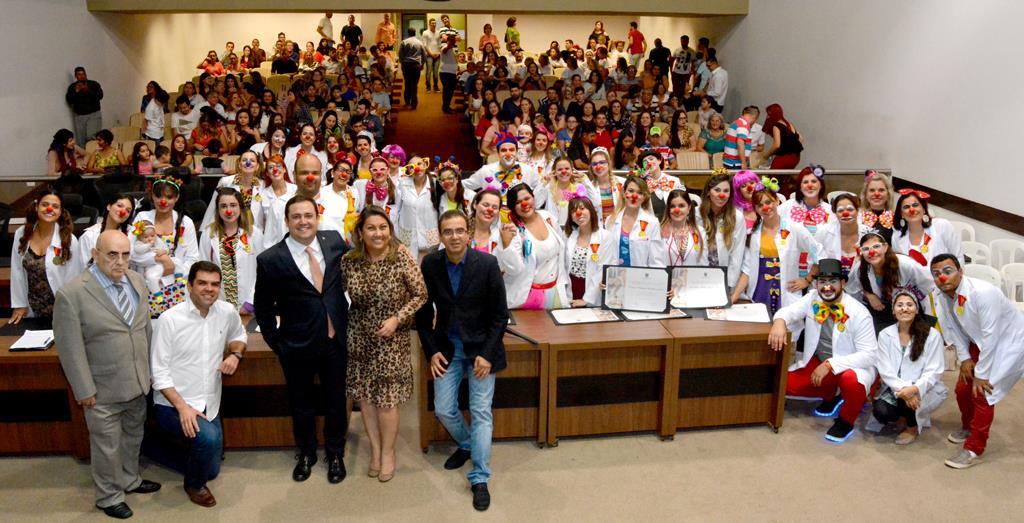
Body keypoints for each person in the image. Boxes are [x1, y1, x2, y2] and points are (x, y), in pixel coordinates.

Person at [53, 230, 160, 519]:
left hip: (137, 381)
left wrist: (149, 372)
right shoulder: (72, 293)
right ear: (95, 254)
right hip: (101, 388)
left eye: (125, 254)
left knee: (132, 437)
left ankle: (129, 479)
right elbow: (69, 347)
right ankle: (108, 496)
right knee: (106, 445)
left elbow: (144, 330)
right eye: (112, 254)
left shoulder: (137, 281)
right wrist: (84, 389)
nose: (120, 261)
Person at [416, 210, 509, 511]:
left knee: (481, 411)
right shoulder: (430, 263)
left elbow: (499, 315)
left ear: (468, 233)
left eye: (459, 231)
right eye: (448, 231)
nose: (454, 237)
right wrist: (431, 350)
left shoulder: (487, 264)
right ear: (440, 235)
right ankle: (467, 443)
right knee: (443, 408)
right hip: (448, 347)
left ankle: (479, 477)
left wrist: (486, 354)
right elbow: (422, 312)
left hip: (482, 347)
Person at [254, 195, 350, 484]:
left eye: (308, 215)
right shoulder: (270, 259)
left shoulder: (334, 242)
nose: (303, 221)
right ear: (287, 221)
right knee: (302, 404)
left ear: (316, 217)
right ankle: (306, 453)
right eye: (296, 216)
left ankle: (335, 453)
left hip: (336, 341)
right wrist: (278, 345)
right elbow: (263, 308)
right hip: (297, 345)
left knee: (336, 401)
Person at [149, 261, 247, 507]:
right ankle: (193, 485)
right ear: (189, 285)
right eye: (202, 283)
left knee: (211, 470)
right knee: (209, 441)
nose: (209, 289)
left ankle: (149, 446)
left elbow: (239, 335)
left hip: (209, 402)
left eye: (215, 284)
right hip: (172, 405)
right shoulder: (169, 319)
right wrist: (182, 408)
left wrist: (235, 354)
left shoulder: (226, 311)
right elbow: (158, 373)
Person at [343, 207, 426, 482]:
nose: (378, 233)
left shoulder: (401, 257)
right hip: (359, 337)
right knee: (366, 398)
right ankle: (376, 451)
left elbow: (420, 294)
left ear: (389, 230)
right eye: (371, 228)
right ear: (360, 232)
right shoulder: (349, 261)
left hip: (392, 339)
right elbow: (338, 294)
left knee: (387, 400)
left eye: (383, 227)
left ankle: (389, 453)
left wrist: (397, 319)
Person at [768, 259, 878, 443]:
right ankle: (833, 394)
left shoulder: (859, 312)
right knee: (785, 385)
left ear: (843, 283)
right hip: (821, 362)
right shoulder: (813, 298)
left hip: (852, 367)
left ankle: (846, 420)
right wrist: (779, 322)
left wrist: (830, 364)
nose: (827, 287)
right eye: (822, 282)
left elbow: (869, 355)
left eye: (833, 282)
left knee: (850, 381)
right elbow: (789, 312)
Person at [930, 255, 1024, 469]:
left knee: (982, 394)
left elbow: (992, 335)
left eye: (947, 270)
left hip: (1008, 342)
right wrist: (965, 359)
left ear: (960, 271)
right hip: (978, 340)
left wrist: (981, 375)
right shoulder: (942, 295)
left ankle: (974, 448)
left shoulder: (983, 293)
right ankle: (968, 427)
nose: (942, 277)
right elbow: (953, 328)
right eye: (936, 274)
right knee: (963, 389)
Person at [731, 179, 822, 316]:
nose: (765, 208)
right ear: (755, 209)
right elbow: (747, 270)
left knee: (785, 331)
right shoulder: (753, 234)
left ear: (777, 201)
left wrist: (807, 280)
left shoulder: (794, 228)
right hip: (759, 292)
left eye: (768, 202)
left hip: (786, 294)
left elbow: (818, 252)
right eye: (760, 205)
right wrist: (734, 297)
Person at [870, 290, 948, 445]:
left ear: (917, 309)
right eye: (899, 305)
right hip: (896, 387)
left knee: (910, 400)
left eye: (909, 305)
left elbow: (935, 370)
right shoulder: (885, 334)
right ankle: (903, 416)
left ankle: (912, 427)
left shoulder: (932, 335)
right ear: (893, 311)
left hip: (921, 386)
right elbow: (885, 369)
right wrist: (904, 390)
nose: (904, 309)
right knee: (881, 412)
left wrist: (915, 389)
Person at [9, 190, 84, 324]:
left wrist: (71, 312)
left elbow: (74, 280)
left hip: (62, 311)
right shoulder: (22, 234)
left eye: (55, 206)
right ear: (37, 207)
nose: (49, 209)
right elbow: (17, 272)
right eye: (45, 205)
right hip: (32, 311)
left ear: (60, 212)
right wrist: (19, 304)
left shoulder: (69, 240)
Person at [844, 231, 935, 333]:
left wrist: (912, 303)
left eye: (876, 246)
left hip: (910, 309)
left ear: (885, 247)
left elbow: (928, 284)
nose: (872, 252)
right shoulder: (859, 269)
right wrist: (868, 294)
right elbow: (851, 290)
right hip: (882, 313)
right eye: (866, 249)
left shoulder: (905, 264)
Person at [503, 183, 569, 309]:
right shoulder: (513, 231)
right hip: (528, 297)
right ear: (513, 207)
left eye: (527, 199)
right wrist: (506, 246)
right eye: (518, 202)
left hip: (555, 292)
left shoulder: (548, 217)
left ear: (534, 198)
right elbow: (513, 269)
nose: (524, 204)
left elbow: (561, 251)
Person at [199, 188, 264, 312]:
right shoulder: (209, 234)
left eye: (233, 205)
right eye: (223, 206)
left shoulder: (254, 234)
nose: (228, 211)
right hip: (217, 304)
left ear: (240, 207)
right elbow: (203, 270)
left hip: (249, 305)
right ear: (218, 210)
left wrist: (250, 304)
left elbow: (262, 271)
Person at [697, 172, 746, 292]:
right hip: (696, 276)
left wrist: (729, 284)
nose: (721, 195)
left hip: (723, 278)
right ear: (708, 192)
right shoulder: (695, 214)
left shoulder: (737, 217)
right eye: (717, 190)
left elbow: (737, 253)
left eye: (726, 191)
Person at [778, 165, 840, 259]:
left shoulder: (831, 211)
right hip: (791, 262)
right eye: (805, 182)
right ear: (799, 187)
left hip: (821, 264)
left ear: (821, 185)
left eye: (814, 181)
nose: (810, 185)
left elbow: (834, 242)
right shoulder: (786, 207)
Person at [605, 175, 666, 268]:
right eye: (631, 191)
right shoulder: (610, 221)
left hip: (641, 279)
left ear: (644, 197)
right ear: (623, 193)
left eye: (640, 192)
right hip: (615, 279)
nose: (634, 196)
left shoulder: (652, 223)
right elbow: (606, 256)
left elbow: (656, 261)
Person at [891, 189, 963, 268]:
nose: (912, 210)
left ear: (924, 209)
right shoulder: (897, 236)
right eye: (906, 207)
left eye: (915, 205)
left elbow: (958, 257)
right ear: (901, 214)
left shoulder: (942, 226)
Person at [463, 131, 540, 202]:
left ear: (516, 152)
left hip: (520, 215)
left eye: (511, 150)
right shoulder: (486, 171)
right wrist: (476, 199)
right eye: (503, 150)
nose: (508, 154)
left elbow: (540, 188)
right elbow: (463, 185)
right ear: (498, 153)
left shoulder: (527, 170)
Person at [79, 194, 135, 263]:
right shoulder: (89, 236)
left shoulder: (132, 234)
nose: (123, 212)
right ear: (109, 206)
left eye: (128, 211)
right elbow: (84, 266)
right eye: (119, 206)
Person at [661, 189, 707, 266]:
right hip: (666, 277)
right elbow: (656, 263)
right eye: (672, 206)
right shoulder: (659, 232)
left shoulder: (700, 232)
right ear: (668, 209)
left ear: (689, 208)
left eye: (681, 206)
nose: (677, 210)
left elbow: (703, 263)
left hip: (693, 277)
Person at [66, 67, 104, 146]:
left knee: (91, 136)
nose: (82, 76)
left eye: (83, 74)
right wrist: (76, 92)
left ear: (86, 74)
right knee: (81, 140)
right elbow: (69, 100)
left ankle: (93, 155)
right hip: (79, 116)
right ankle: (84, 156)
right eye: (79, 74)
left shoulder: (94, 84)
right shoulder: (72, 87)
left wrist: (88, 90)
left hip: (94, 114)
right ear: (76, 76)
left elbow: (100, 96)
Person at [858, 170, 896, 243]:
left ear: (888, 194)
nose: (877, 194)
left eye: (881, 190)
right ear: (865, 194)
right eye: (872, 190)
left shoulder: (896, 219)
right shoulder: (857, 218)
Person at [762, 103, 803, 169]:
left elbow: (777, 145)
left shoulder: (776, 126)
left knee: (773, 177)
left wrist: (766, 155)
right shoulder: (789, 124)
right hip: (796, 157)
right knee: (785, 177)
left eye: (768, 114)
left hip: (785, 157)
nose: (767, 116)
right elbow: (801, 138)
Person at [670, 35, 696, 100]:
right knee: (675, 88)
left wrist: (691, 72)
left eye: (685, 41)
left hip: (686, 72)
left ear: (688, 41)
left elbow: (693, 63)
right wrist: (671, 71)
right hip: (676, 72)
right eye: (682, 41)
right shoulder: (677, 50)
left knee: (684, 88)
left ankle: (682, 101)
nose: (683, 43)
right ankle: (675, 100)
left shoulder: (692, 52)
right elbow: (672, 60)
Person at [439, 35, 460, 113]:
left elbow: (454, 58)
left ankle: (447, 106)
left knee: (450, 91)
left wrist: (457, 66)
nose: (454, 41)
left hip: (452, 72)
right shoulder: (444, 46)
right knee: (447, 90)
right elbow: (444, 51)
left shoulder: (454, 48)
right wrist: (448, 45)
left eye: (454, 39)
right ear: (448, 40)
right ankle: (445, 107)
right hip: (445, 72)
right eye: (452, 40)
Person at [422, 18, 441, 92]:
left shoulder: (438, 32)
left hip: (437, 55)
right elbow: (425, 45)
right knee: (429, 71)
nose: (434, 24)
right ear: (429, 24)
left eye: (435, 23)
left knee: (436, 73)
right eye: (432, 23)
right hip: (429, 55)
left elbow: (440, 44)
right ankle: (428, 87)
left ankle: (435, 86)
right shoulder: (425, 33)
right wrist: (431, 54)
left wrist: (438, 53)